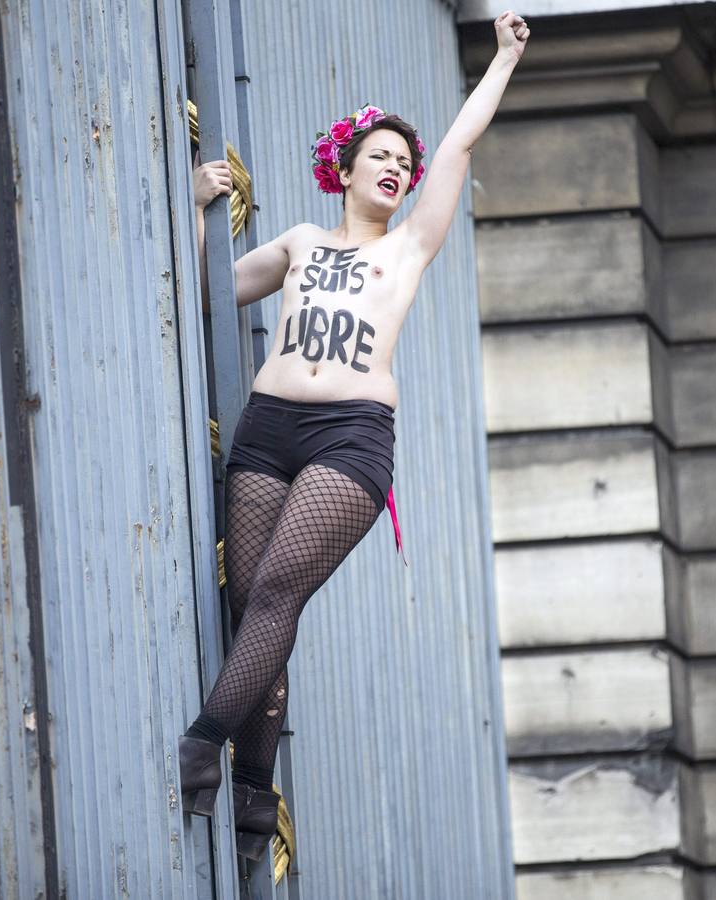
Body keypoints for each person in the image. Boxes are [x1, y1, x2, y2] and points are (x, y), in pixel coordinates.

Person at [179, 9, 531, 857]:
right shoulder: (300, 242)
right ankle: (257, 796)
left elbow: (456, 147)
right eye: (382, 156)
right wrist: (195, 210)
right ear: (344, 168)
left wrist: (504, 58)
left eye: (404, 166)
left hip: (350, 439)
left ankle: (201, 746)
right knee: (249, 609)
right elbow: (208, 296)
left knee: (275, 594)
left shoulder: (409, 247)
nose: (399, 170)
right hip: (268, 432)